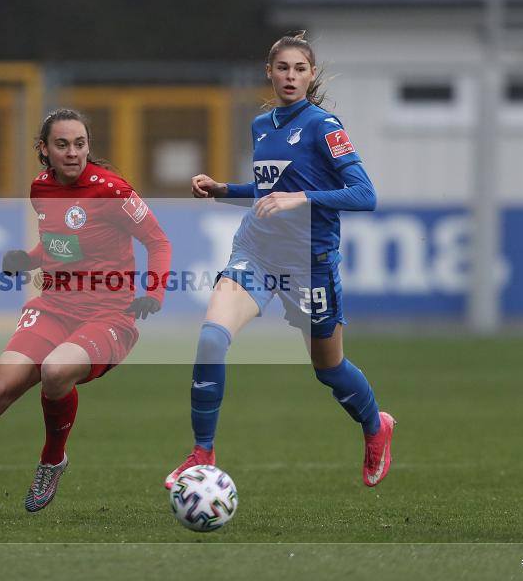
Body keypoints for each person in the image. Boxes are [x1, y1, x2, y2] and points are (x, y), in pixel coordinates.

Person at [0, 108, 171, 517]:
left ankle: (52, 459)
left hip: (108, 316)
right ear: (44, 149)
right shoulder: (40, 188)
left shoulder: (111, 190)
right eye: (62, 144)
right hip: (54, 305)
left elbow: (158, 241)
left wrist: (154, 292)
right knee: (0, 387)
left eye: (80, 144)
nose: (73, 152)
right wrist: (29, 260)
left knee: (56, 371)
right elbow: (66, 246)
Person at [165, 32, 396, 490]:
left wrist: (301, 198)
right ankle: (201, 453)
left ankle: (376, 426)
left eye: (300, 69)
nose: (291, 76)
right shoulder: (262, 125)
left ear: (312, 75)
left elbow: (365, 195)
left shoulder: (323, 126)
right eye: (283, 68)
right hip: (256, 250)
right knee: (212, 339)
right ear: (269, 73)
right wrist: (225, 190)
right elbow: (271, 193)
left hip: (310, 263)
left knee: (329, 369)